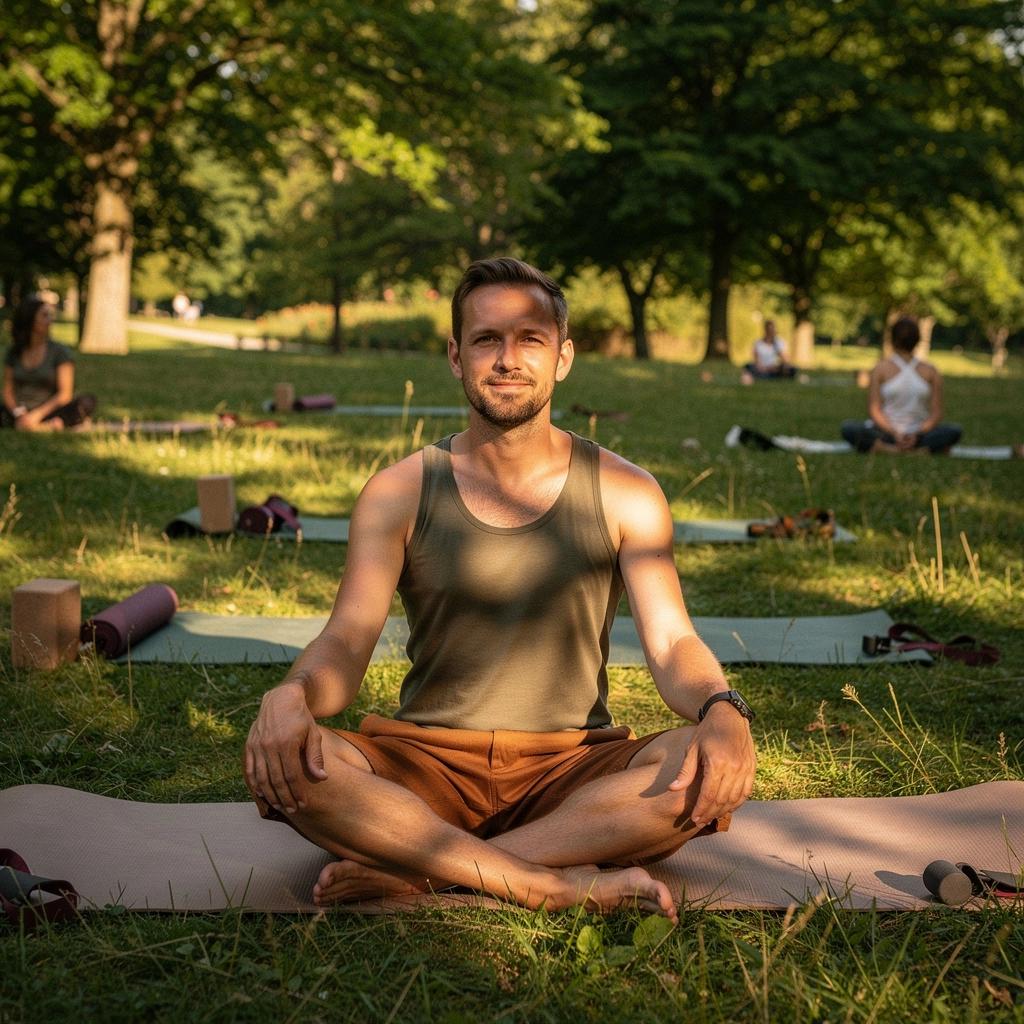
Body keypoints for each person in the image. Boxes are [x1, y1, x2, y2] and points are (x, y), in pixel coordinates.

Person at [244, 258, 756, 921]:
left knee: (698, 763)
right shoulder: (397, 492)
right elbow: (344, 643)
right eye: (487, 339)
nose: (507, 358)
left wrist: (722, 708)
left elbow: (672, 641)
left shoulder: (628, 491)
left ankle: (425, 870)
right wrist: (291, 695)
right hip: (423, 768)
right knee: (295, 765)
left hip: (571, 771)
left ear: (563, 357)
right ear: (456, 357)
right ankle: (546, 883)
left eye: (530, 339)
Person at [841, 317, 961, 455]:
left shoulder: (880, 368)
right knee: (953, 432)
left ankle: (887, 448)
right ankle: (920, 449)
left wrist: (913, 434)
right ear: (917, 340)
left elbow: (874, 410)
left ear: (892, 340)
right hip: (899, 434)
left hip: (897, 435)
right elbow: (936, 413)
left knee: (848, 428)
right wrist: (908, 434)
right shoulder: (930, 370)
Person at [2, 295, 96, 431]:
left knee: (85, 402)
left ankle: (40, 424)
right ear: (30, 319)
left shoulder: (60, 352)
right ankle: (47, 426)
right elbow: (7, 391)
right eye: (45, 315)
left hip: (50, 410)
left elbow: (65, 394)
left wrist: (36, 416)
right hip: (19, 411)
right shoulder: (14, 352)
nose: (51, 320)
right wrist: (19, 413)